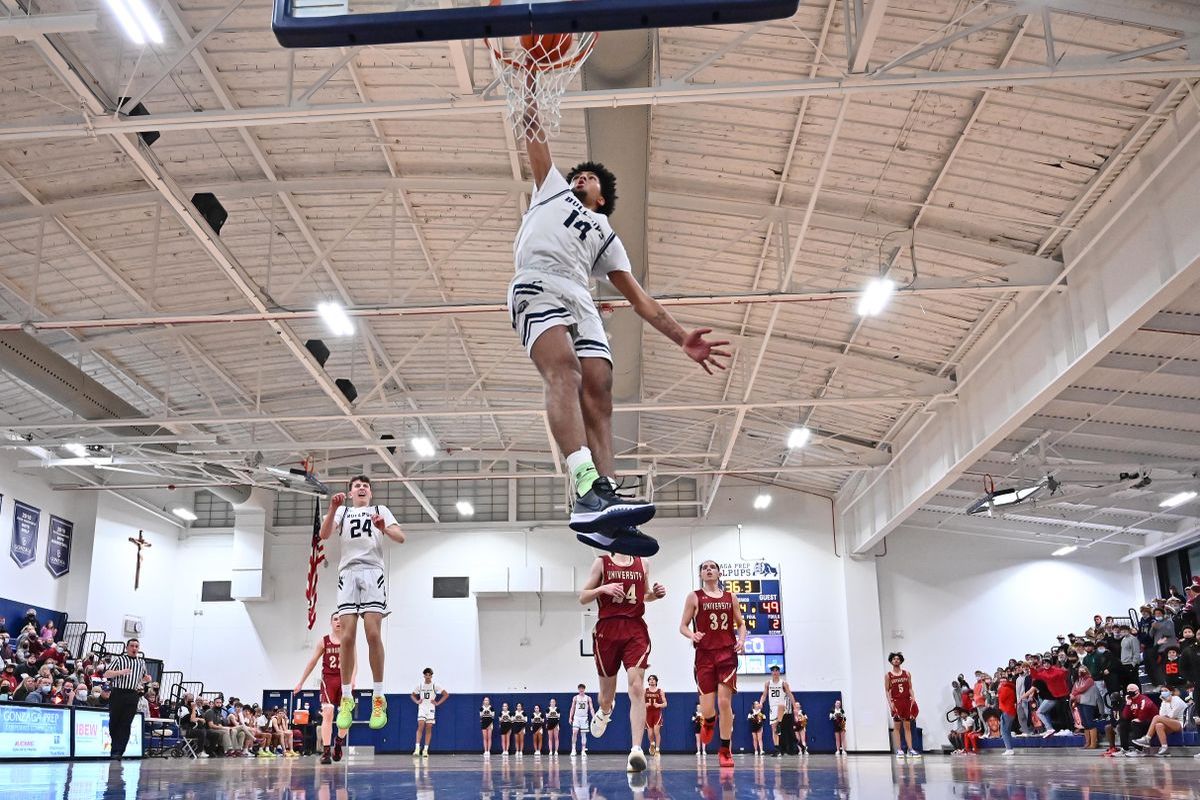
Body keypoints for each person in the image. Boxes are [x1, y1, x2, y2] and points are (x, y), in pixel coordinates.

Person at [511, 97, 731, 557]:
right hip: (539, 281)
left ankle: (604, 500)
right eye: (578, 175)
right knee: (566, 373)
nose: (580, 178)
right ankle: (585, 484)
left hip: (580, 294)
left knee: (600, 390)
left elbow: (640, 300)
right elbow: (533, 131)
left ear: (602, 197)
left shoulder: (607, 236)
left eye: (588, 178)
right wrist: (530, 84)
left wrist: (681, 337)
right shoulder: (550, 188)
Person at [321, 475, 406, 733]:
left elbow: (400, 537)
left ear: (370, 493)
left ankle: (378, 697)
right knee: (346, 637)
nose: (361, 488)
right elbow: (324, 535)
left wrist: (383, 527)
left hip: (372, 572)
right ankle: (346, 698)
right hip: (348, 573)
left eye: (365, 486)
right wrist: (332, 508)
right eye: (357, 486)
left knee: (372, 633)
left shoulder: (380, 510)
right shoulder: (343, 511)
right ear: (350, 493)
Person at [579, 550, 666, 772]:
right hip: (607, 629)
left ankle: (636, 750)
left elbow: (644, 595)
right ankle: (605, 710)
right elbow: (583, 596)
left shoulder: (643, 562)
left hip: (635, 628)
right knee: (606, 696)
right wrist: (602, 588)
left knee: (637, 687)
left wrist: (655, 594)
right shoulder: (602, 562)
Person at [680, 559, 747, 768]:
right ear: (701, 575)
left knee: (725, 703)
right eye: (704, 568)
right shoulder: (694, 597)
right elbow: (682, 626)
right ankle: (709, 721)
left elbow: (741, 623)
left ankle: (725, 749)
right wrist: (692, 634)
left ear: (719, 573)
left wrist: (742, 640)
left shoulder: (731, 597)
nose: (708, 570)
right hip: (705, 656)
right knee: (707, 708)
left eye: (712, 567)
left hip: (727, 655)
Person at [293, 611, 352, 764]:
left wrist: (353, 679)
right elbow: (312, 662)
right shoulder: (324, 641)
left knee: (344, 718)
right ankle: (326, 751)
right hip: (328, 681)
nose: (338, 621)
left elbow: (355, 662)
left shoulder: (348, 640)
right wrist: (301, 682)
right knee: (328, 712)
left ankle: (338, 742)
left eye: (341, 619)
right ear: (331, 622)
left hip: (344, 680)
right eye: (335, 619)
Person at [102, 638, 152, 758]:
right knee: (114, 722)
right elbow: (106, 674)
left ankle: (119, 751)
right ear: (127, 647)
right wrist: (120, 672)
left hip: (132, 694)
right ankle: (114, 747)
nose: (134, 648)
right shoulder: (119, 659)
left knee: (126, 723)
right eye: (132, 646)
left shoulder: (141, 662)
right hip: (118, 693)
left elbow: (143, 678)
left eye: (136, 646)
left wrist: (147, 679)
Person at [1133, 687, 1188, 756]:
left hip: (1181, 723)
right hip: (1171, 722)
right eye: (1162, 691)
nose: (1163, 692)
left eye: (1165, 690)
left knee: (1156, 718)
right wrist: (1164, 702)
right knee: (1158, 725)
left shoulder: (1177, 699)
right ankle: (1164, 748)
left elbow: (1171, 715)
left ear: (1170, 692)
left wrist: (1165, 717)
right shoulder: (1164, 701)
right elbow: (1161, 714)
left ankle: (1147, 738)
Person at [885, 652, 920, 759]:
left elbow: (910, 688)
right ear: (891, 661)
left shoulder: (907, 673)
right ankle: (899, 750)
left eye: (898, 659)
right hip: (896, 702)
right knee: (897, 727)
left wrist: (913, 697)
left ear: (900, 661)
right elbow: (887, 690)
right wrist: (890, 704)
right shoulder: (888, 675)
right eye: (894, 659)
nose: (896, 660)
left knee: (907, 727)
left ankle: (910, 749)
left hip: (906, 701)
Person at [411, 667, 449, 757]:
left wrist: (438, 703)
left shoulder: (435, 685)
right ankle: (417, 748)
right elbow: (412, 695)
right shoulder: (420, 686)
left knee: (429, 727)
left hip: (431, 708)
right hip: (422, 707)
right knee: (420, 725)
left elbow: (446, 694)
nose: (428, 676)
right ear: (424, 675)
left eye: (429, 675)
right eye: (426, 675)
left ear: (431, 676)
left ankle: (425, 749)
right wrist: (417, 701)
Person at [759, 665, 796, 755]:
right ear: (771, 673)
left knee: (780, 707)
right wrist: (761, 703)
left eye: (776, 670)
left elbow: (790, 694)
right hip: (772, 707)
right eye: (773, 671)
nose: (775, 672)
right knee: (774, 729)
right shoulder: (768, 683)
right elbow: (764, 695)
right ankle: (777, 749)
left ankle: (779, 723)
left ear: (779, 672)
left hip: (781, 706)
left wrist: (794, 706)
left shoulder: (783, 683)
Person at [1117, 683, 1157, 757]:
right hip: (1138, 722)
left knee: (1135, 723)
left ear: (1137, 691)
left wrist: (1138, 719)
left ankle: (1139, 750)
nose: (1129, 691)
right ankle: (1124, 749)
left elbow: (1144, 713)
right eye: (1128, 690)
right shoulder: (1130, 700)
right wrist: (1128, 704)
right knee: (1123, 724)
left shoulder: (1143, 699)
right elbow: (1125, 716)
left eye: (1131, 689)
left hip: (1151, 723)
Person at [1069, 665, 1101, 750]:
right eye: (1079, 671)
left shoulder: (1089, 680)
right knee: (1085, 723)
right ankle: (1088, 742)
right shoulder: (1078, 681)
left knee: (1090, 722)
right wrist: (1072, 694)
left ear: (1087, 671)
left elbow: (1082, 689)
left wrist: (1073, 694)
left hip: (1088, 703)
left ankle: (1094, 743)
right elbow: (1074, 689)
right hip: (1079, 702)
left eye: (1083, 670)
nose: (1081, 672)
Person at [643, 674, 666, 756]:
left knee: (656, 731)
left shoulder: (660, 691)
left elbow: (665, 703)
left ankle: (657, 749)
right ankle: (652, 744)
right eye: (650, 679)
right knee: (650, 733)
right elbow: (640, 702)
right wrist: (645, 704)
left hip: (657, 713)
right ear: (648, 681)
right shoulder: (645, 690)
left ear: (656, 681)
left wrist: (659, 705)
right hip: (648, 714)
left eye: (653, 679)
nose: (651, 680)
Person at [568, 684, 593, 757]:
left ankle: (583, 750)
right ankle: (573, 749)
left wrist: (594, 716)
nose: (581, 690)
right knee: (575, 732)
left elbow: (591, 708)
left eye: (582, 689)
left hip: (584, 717)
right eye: (580, 689)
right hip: (577, 717)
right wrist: (570, 717)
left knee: (583, 734)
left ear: (584, 689)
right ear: (578, 689)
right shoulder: (575, 698)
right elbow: (572, 708)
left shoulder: (588, 698)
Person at [996, 670, 1017, 756]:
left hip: (1006, 711)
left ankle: (1009, 749)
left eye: (1003, 681)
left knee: (1004, 731)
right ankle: (1009, 748)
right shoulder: (1011, 688)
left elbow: (1001, 699)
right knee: (1007, 731)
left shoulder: (1004, 689)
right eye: (1001, 681)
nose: (1002, 683)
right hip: (1011, 711)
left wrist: (999, 690)